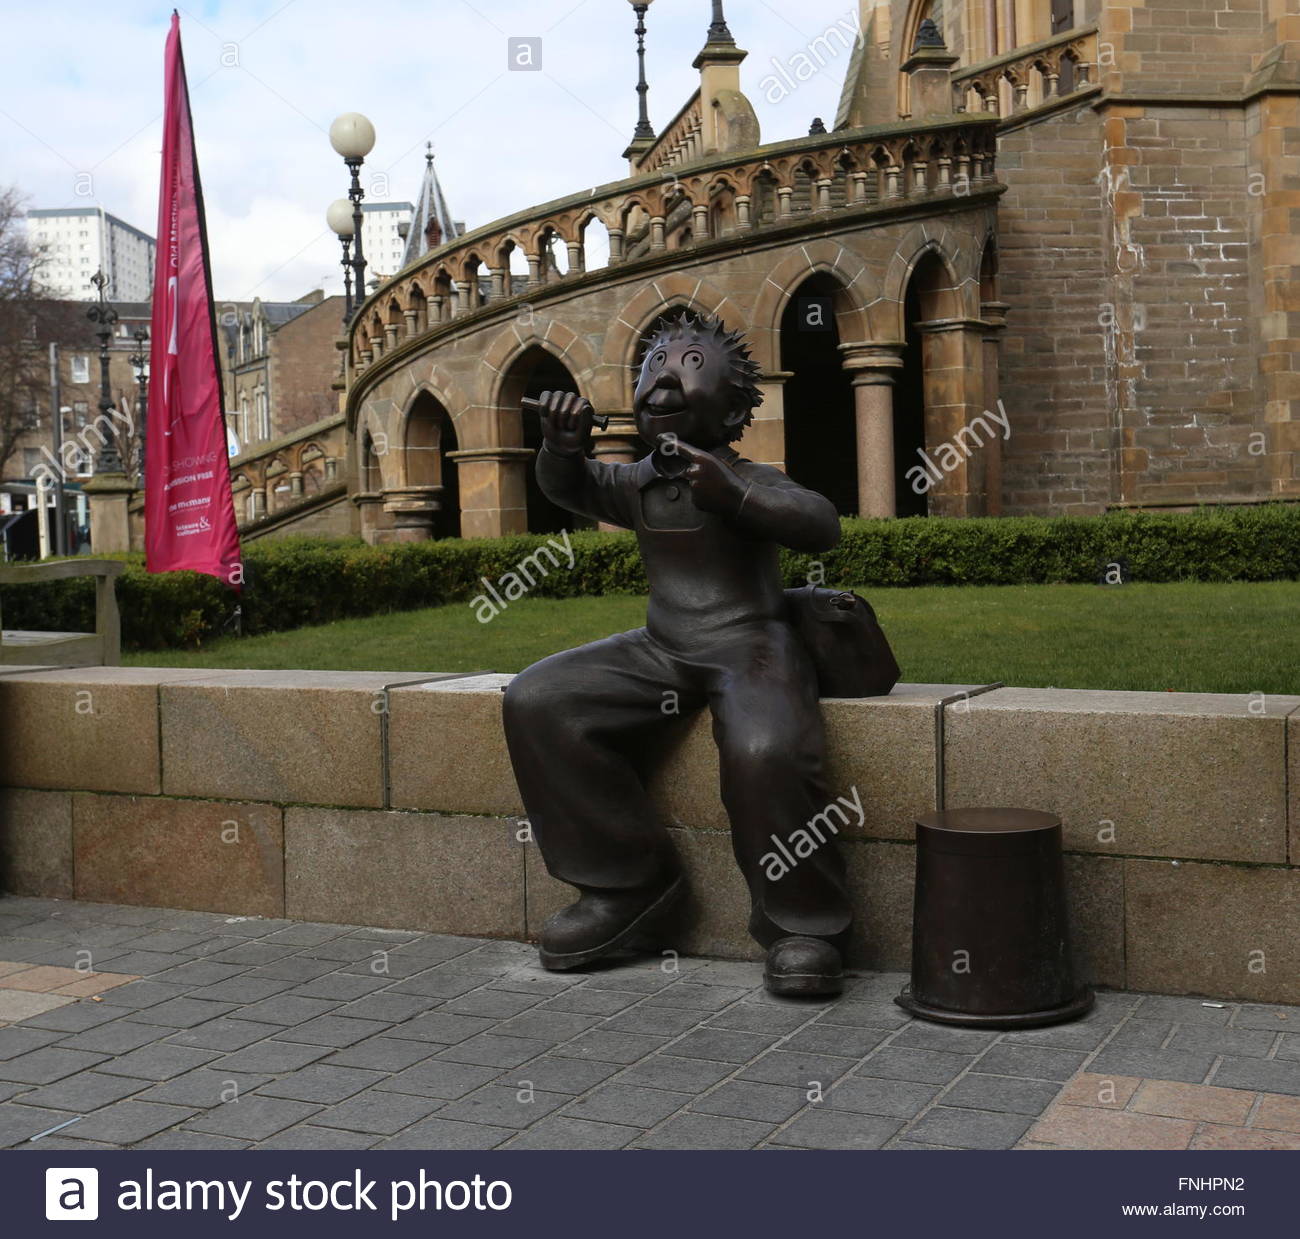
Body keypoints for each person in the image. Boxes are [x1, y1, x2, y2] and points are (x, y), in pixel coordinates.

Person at [503, 314, 852, 996]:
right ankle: (627, 889)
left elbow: (821, 524)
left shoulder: (750, 475)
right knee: (538, 699)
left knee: (764, 750)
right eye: (653, 364)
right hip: (662, 648)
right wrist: (562, 449)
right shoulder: (639, 480)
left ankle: (803, 924)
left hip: (751, 646)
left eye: (688, 364)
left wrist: (736, 495)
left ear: (731, 404)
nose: (662, 376)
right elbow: (571, 488)